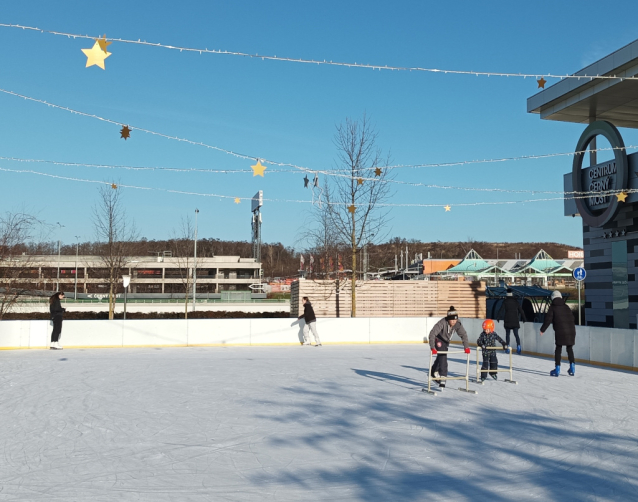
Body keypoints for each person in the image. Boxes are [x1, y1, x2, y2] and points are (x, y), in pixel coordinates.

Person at [428, 306, 471, 388]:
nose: (454, 322)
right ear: (448, 319)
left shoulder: (458, 324)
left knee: (441, 355)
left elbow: (463, 335)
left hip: (446, 342)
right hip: (438, 338)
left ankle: (433, 371)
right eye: (452, 320)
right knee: (443, 355)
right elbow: (432, 334)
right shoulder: (442, 322)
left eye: (455, 319)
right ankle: (443, 377)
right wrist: (432, 347)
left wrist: (466, 347)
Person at [540, 290, 576, 377]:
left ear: (552, 298)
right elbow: (572, 318)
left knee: (558, 349)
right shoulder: (566, 306)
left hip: (560, 331)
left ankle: (557, 369)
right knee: (569, 348)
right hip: (571, 330)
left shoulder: (553, 307)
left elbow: (548, 319)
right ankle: (572, 367)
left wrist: (542, 329)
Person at [497, 288, 527, 354]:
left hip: (507, 320)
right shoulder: (516, 302)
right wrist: (524, 319)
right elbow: (521, 311)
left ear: (507, 295)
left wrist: (498, 317)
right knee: (516, 334)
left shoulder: (505, 301)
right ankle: (519, 347)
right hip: (515, 320)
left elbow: (501, 310)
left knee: (508, 334)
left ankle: (507, 347)